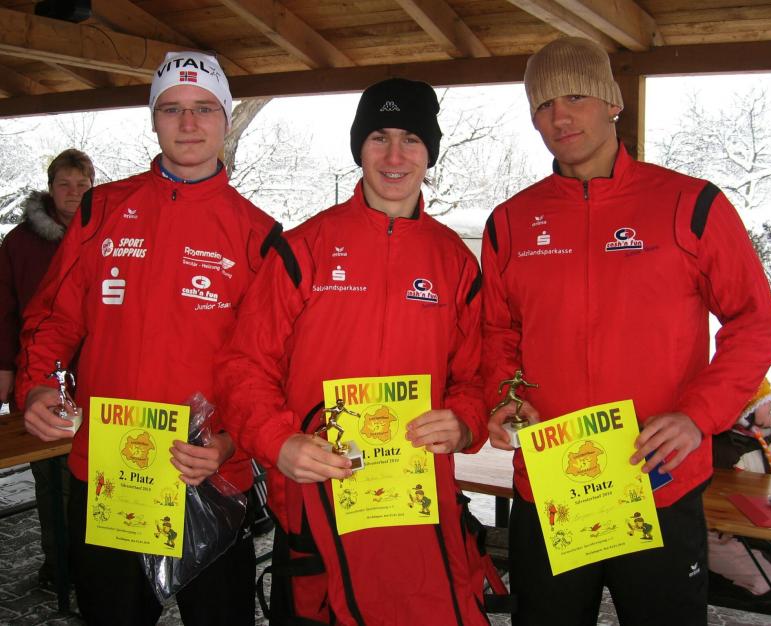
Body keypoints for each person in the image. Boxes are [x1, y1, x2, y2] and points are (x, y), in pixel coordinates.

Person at [480, 37, 771, 625]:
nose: (560, 117)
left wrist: (697, 415)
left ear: (613, 103)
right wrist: (505, 396)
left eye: (576, 96)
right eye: (544, 104)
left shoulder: (690, 204)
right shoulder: (511, 222)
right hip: (554, 486)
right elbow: (498, 332)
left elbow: (755, 322)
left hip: (659, 481)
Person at [216, 78, 492, 625]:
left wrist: (464, 423)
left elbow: (475, 377)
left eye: (411, 139)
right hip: (315, 500)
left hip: (411, 505)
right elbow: (244, 364)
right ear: (359, 148)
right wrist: (278, 441)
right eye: (379, 137)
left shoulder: (454, 261)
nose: (394, 156)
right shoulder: (303, 248)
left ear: (430, 152)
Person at [15, 51, 277, 626]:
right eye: (172, 108)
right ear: (153, 119)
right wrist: (38, 386)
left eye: (204, 108)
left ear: (225, 118)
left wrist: (231, 443)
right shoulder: (103, 210)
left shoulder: (258, 234)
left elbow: (268, 366)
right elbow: (55, 318)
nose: (188, 123)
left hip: (208, 474)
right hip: (112, 473)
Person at [0, 147, 94, 589]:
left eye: (82, 185)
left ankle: (96, 569)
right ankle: (59, 567)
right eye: (64, 184)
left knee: (92, 475)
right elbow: (4, 310)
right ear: (50, 188)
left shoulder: (108, 234)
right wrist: (5, 368)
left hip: (96, 374)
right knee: (51, 477)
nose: (73, 193)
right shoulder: (20, 244)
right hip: (41, 375)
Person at [708, 378, 771, 596]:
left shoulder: (766, 440)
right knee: (766, 578)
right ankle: (707, 581)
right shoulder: (725, 449)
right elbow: (717, 503)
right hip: (724, 534)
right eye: (764, 400)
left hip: (755, 526)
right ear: (745, 413)